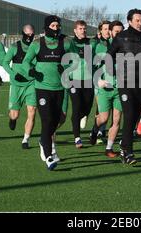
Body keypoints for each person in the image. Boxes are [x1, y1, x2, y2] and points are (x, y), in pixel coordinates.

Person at [107, 9, 141, 165]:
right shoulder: (121, 37)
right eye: (137, 20)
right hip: (125, 82)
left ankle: (124, 144)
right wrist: (113, 74)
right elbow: (109, 56)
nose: (140, 23)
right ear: (129, 21)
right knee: (129, 116)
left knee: (134, 118)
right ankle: (128, 152)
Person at [21, 15, 72, 170]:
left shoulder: (66, 42)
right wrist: (33, 72)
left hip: (59, 88)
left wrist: (67, 67)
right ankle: (49, 156)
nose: (56, 29)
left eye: (58, 26)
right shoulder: (37, 44)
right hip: (42, 88)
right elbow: (25, 62)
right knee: (47, 120)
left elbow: (75, 59)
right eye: (53, 26)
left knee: (56, 121)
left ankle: (43, 141)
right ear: (47, 27)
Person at [90, 20, 125, 157]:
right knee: (104, 118)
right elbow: (91, 67)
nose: (119, 33)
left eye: (121, 31)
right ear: (110, 32)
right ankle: (94, 129)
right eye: (116, 31)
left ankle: (109, 148)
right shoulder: (100, 47)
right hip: (105, 89)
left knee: (116, 120)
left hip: (120, 89)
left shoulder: (127, 47)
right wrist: (98, 80)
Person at [2, 24, 37, 149]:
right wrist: (13, 74)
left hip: (31, 84)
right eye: (27, 34)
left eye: (31, 34)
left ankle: (25, 139)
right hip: (16, 85)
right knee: (15, 114)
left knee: (32, 111)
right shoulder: (14, 47)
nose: (29, 37)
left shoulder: (36, 47)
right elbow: (5, 63)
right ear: (22, 33)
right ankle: (12, 119)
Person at [69, 20, 97, 148]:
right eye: (80, 28)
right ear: (75, 30)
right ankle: (77, 138)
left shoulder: (90, 44)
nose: (83, 31)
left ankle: (83, 115)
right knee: (76, 107)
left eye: (84, 29)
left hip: (88, 80)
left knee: (87, 107)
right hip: (74, 80)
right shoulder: (70, 43)